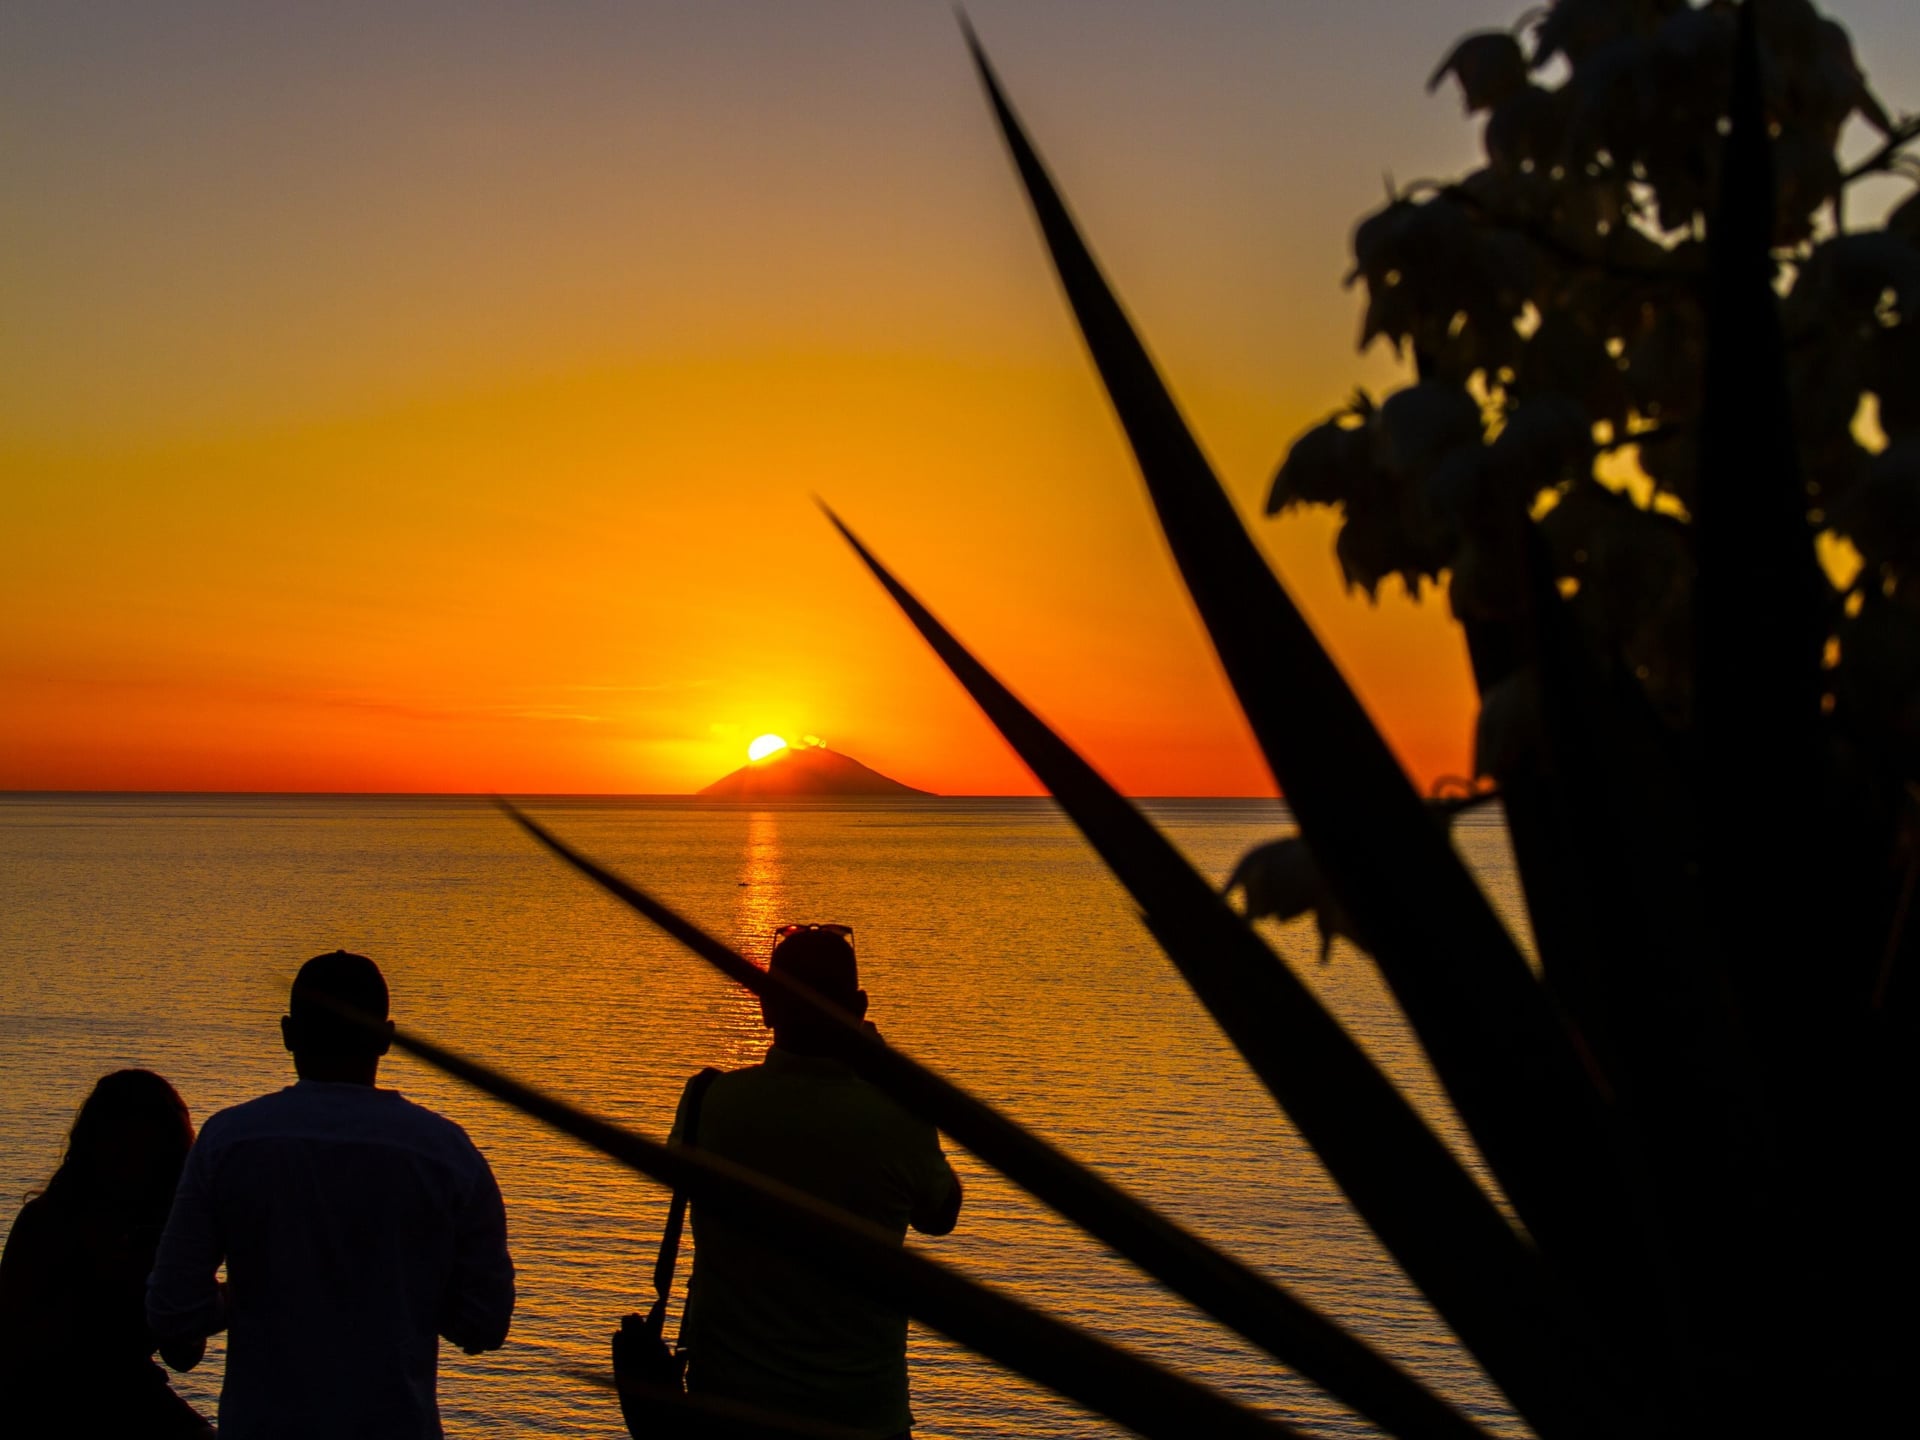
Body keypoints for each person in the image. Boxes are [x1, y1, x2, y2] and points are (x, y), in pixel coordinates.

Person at [147, 950, 515, 1439]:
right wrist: (403, 1291)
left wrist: (260, 1289)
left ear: (288, 1034)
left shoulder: (229, 1142)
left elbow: (172, 1310)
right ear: (386, 1039)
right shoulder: (446, 1154)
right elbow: (485, 1323)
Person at [669, 924, 962, 1440]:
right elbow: (941, 1215)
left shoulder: (708, 1104)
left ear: (765, 1008)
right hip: (862, 1416)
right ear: (859, 1007)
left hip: (727, 1410)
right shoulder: (898, 1118)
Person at [0, 1068, 214, 1437]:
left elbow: (182, 1353)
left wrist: (193, 1290)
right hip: (52, 1400)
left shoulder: (162, 1229)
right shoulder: (52, 1222)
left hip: (112, 1395)